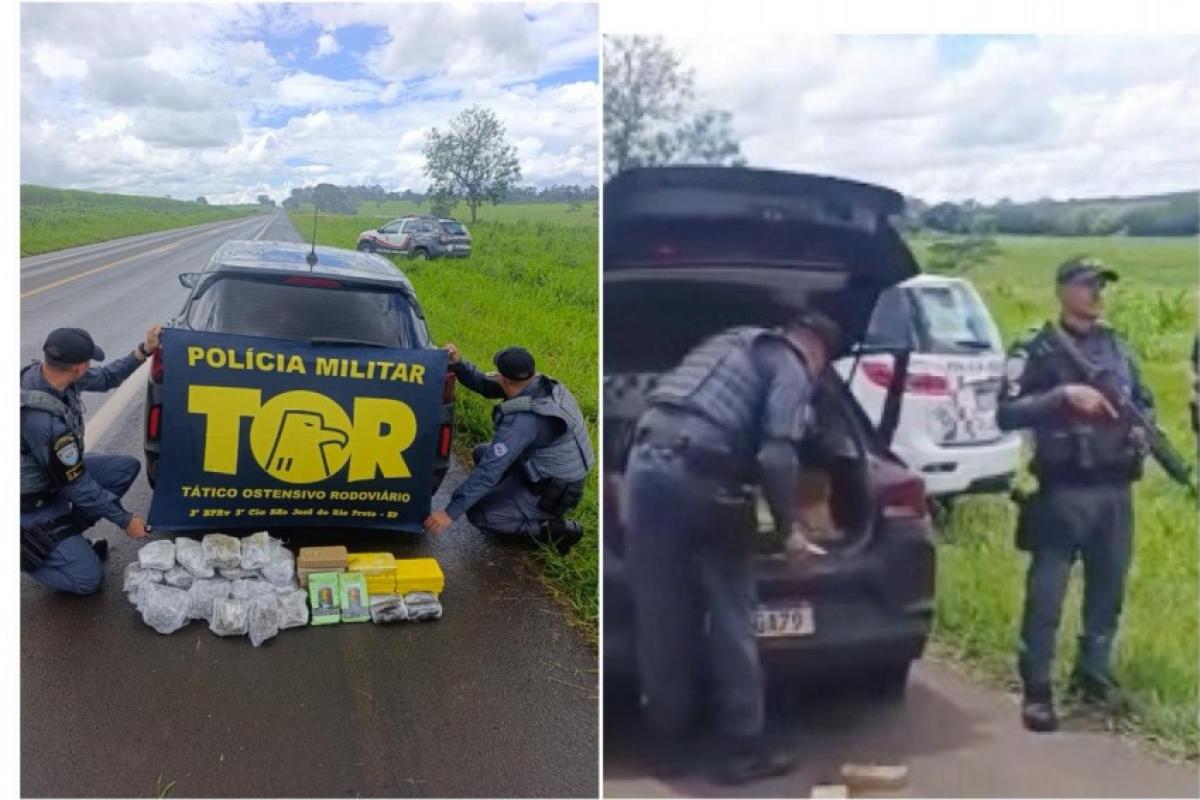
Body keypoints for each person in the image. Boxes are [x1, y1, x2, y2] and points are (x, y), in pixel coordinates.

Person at [621, 311, 841, 785]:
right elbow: (776, 455)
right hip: (702, 475)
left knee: (662, 609)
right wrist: (787, 532)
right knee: (730, 607)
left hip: (644, 465)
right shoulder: (791, 365)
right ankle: (742, 750)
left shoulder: (728, 344)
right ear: (818, 353)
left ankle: (670, 743)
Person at [997, 257, 1153, 733]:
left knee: (1108, 591)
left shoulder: (1117, 348)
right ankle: (1038, 690)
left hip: (1114, 490)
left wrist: (1144, 431)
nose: (1096, 293)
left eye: (1101, 285)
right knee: (1047, 596)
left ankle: (1092, 675)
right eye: (1087, 285)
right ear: (1063, 289)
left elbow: (1144, 401)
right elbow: (1005, 413)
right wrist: (1063, 396)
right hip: (1062, 492)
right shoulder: (1036, 349)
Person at [21, 325, 161, 594]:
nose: (90, 366)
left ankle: (62, 537)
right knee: (87, 580)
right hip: (30, 502)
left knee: (122, 469)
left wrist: (144, 350)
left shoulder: (53, 375)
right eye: (87, 361)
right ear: (77, 367)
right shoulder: (42, 421)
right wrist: (125, 520)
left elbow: (108, 377)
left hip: (51, 479)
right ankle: (26, 550)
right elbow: (78, 485)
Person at [423, 344, 594, 555]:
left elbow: (489, 471)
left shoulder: (523, 421)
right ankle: (511, 497)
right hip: (548, 469)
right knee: (481, 452)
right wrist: (458, 364)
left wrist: (450, 512)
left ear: (503, 377)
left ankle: (553, 528)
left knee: (481, 514)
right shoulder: (538, 383)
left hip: (555, 490)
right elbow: (486, 386)